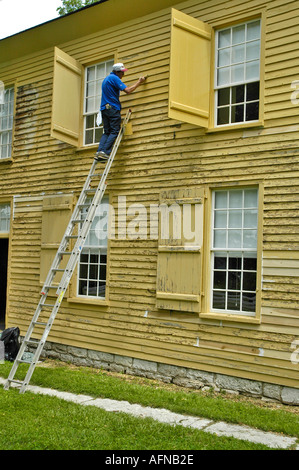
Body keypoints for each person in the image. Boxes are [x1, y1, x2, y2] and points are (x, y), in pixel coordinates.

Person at [96, 63, 147, 160]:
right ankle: (105, 151)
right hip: (112, 108)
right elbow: (128, 90)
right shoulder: (114, 78)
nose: (123, 75)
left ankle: (99, 151)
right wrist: (139, 82)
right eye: (122, 73)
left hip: (104, 109)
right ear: (117, 72)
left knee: (107, 132)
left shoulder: (106, 79)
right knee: (114, 131)